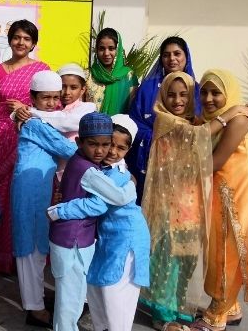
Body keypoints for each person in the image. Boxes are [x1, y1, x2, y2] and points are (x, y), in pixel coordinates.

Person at [140, 72, 248, 331]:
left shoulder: (193, 120)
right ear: (162, 96)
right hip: (169, 204)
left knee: (186, 259)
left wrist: (236, 113)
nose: (177, 100)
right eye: (171, 94)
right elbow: (197, 136)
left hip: (191, 205)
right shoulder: (166, 120)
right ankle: (162, 315)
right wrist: (230, 113)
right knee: (167, 260)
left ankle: (177, 306)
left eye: (184, 94)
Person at [190, 70, 248, 331]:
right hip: (224, 189)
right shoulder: (221, 118)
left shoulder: (239, 120)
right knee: (221, 249)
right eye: (204, 92)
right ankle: (230, 308)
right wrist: (223, 115)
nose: (208, 98)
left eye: (216, 93)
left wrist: (181, 164)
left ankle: (215, 317)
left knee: (227, 253)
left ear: (229, 94)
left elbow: (215, 161)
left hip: (239, 192)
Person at [48, 114, 150, 331]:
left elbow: (101, 205)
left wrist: (59, 210)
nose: (109, 151)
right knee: (92, 294)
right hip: (99, 238)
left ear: (128, 150)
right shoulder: (95, 167)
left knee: (115, 300)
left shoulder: (117, 173)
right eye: (108, 144)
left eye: (119, 148)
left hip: (125, 237)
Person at [12, 70, 79, 328]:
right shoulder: (34, 124)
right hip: (30, 189)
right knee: (30, 247)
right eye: (45, 98)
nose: (51, 103)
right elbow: (67, 149)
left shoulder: (39, 119)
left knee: (38, 244)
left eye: (55, 97)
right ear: (33, 98)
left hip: (38, 188)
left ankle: (36, 298)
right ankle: (34, 308)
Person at [0, 19, 50, 274]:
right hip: (0, 137)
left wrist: (26, 109)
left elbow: (50, 106)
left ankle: (21, 256)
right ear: (10, 39)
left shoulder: (42, 71)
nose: (21, 42)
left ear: (33, 43)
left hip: (28, 140)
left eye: (27, 38)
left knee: (21, 195)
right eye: (17, 37)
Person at [47, 112, 113, 330]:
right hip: (72, 242)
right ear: (79, 142)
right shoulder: (88, 170)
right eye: (93, 144)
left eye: (105, 145)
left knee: (69, 300)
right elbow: (109, 200)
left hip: (69, 238)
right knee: (70, 303)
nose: (100, 151)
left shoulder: (79, 160)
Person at [128, 36, 200, 204]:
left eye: (177, 53)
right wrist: (159, 137)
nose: (172, 59)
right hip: (149, 157)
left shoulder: (196, 89)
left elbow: (203, 121)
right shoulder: (147, 88)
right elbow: (134, 122)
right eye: (166, 55)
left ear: (186, 56)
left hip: (184, 160)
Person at [85, 28, 138, 115]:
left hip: (120, 123)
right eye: (102, 48)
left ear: (118, 49)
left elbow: (133, 109)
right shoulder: (88, 75)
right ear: (96, 50)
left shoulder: (129, 76)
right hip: (91, 123)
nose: (106, 53)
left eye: (111, 48)